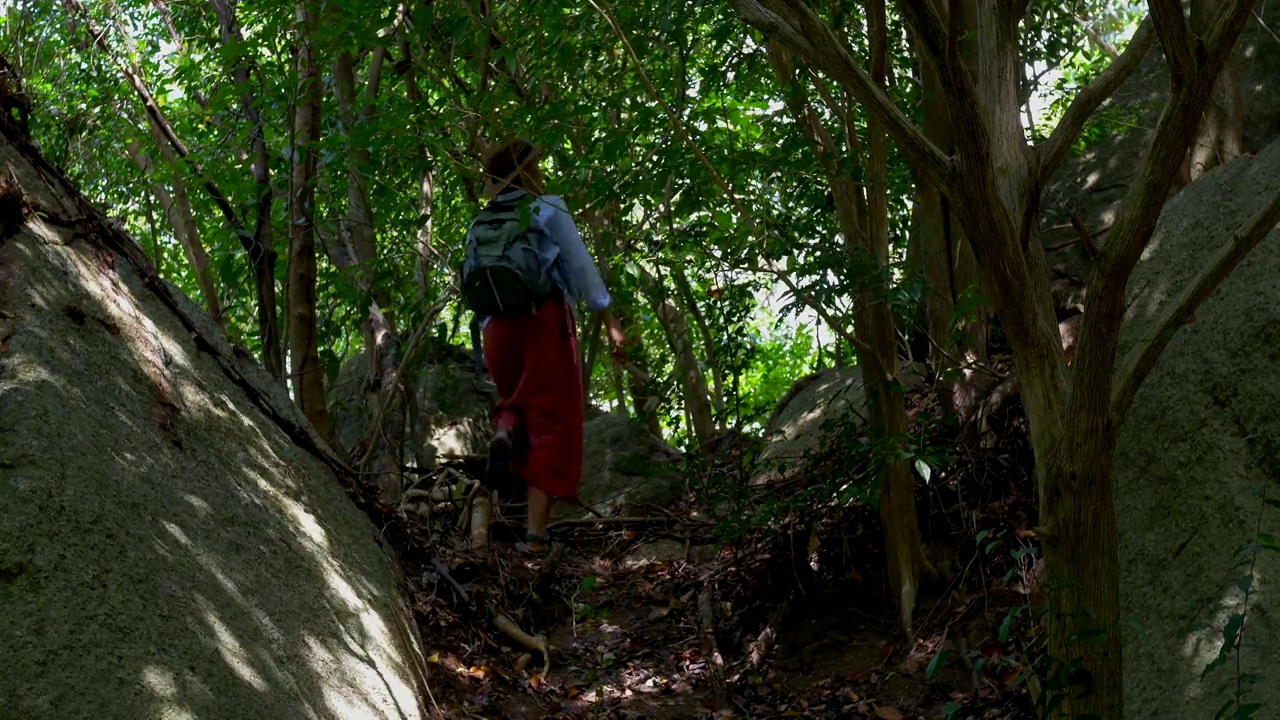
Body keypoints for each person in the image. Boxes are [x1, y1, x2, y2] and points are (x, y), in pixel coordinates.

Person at [461, 138, 625, 557]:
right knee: (553, 422)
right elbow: (581, 269)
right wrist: (609, 321)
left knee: (516, 404)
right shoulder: (548, 208)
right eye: (538, 167)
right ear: (527, 173)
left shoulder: (481, 222)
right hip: (543, 323)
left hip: (497, 329)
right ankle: (535, 537)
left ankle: (504, 430)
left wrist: (489, 335)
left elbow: (472, 284)